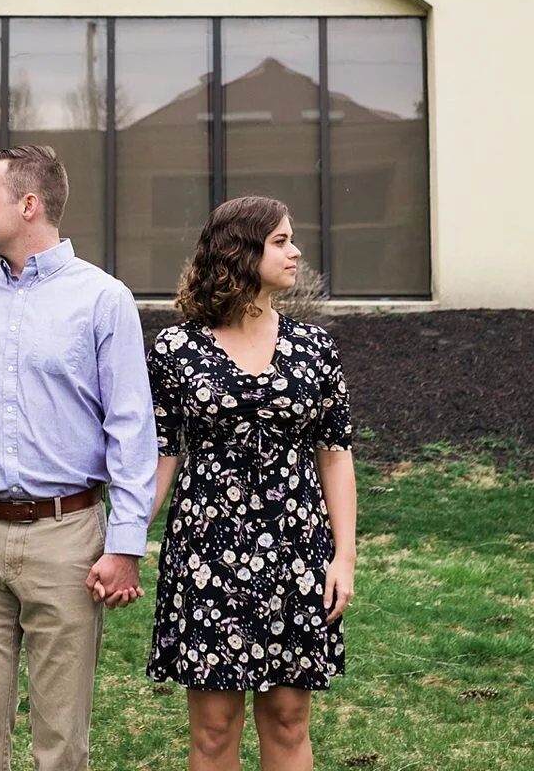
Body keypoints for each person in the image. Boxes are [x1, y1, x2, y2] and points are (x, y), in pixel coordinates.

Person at [0, 144, 158, 771]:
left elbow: (132, 431)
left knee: (61, 742)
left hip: (67, 543)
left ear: (28, 206)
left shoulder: (105, 300)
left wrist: (125, 544)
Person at [145, 196, 357, 771]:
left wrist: (344, 557)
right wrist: (124, 538)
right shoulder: (175, 351)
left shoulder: (316, 350)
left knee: (289, 720)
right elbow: (162, 453)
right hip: (206, 551)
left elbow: (335, 456)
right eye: (282, 241)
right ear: (240, 252)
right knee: (214, 731)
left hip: (296, 549)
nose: (295, 252)